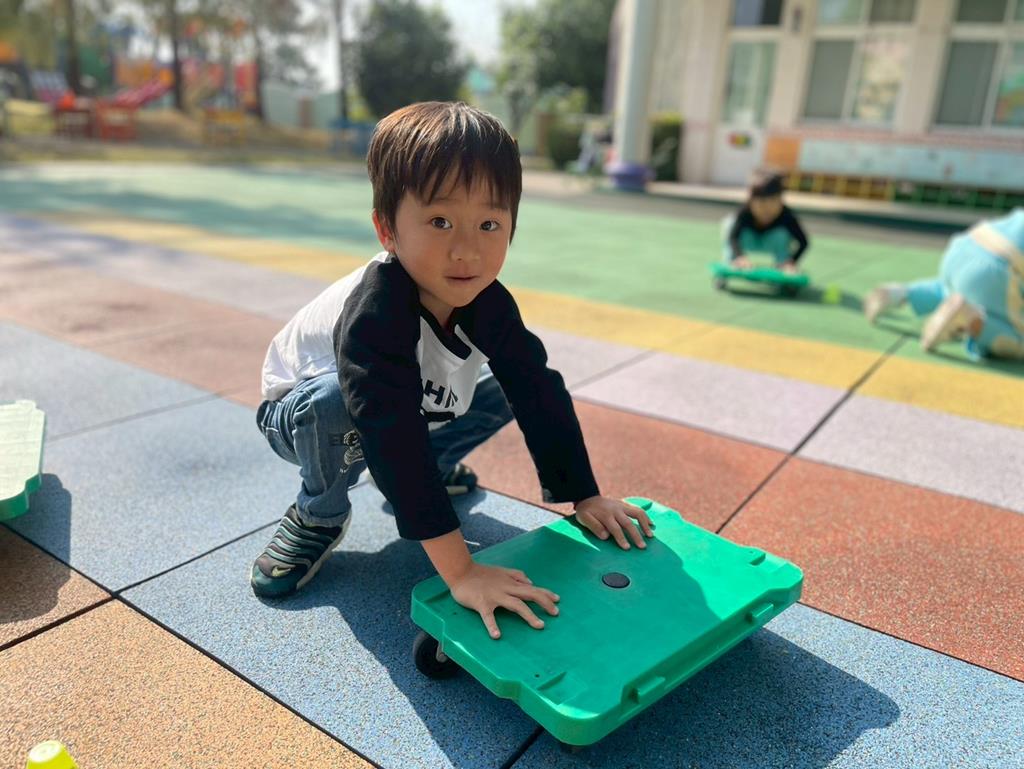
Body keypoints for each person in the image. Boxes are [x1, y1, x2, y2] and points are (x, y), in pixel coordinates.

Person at [251, 101, 654, 639]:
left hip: (402, 403)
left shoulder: (487, 300)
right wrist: (461, 571)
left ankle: (432, 466)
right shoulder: (375, 309)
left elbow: (538, 390)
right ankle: (317, 512)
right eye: (440, 221)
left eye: (489, 224)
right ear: (387, 229)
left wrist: (585, 495)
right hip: (300, 415)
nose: (466, 250)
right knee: (337, 404)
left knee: (506, 387)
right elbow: (389, 428)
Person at [864, 208, 1024, 359]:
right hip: (999, 268)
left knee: (950, 291)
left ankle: (899, 293)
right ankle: (971, 319)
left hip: (965, 247)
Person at [723, 170, 809, 273]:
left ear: (781, 200)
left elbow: (803, 242)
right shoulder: (744, 212)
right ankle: (731, 262)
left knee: (781, 234)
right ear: (751, 202)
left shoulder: (787, 215)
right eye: (761, 203)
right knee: (730, 223)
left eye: (773, 202)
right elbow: (733, 237)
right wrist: (739, 256)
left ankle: (783, 264)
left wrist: (792, 261)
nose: (767, 209)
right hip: (748, 240)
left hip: (772, 243)